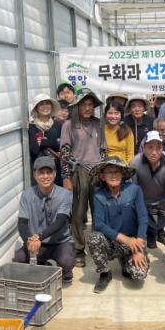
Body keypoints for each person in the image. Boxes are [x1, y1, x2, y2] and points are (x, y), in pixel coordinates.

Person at [88, 157, 150, 293]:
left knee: (138, 274)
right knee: (94, 238)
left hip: (134, 241)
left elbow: (143, 218)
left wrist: (138, 248)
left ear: (122, 174)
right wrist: (124, 239)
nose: (114, 175)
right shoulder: (98, 196)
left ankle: (125, 261)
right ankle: (105, 273)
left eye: (117, 171)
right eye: (109, 172)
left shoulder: (135, 190)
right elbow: (98, 224)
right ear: (102, 176)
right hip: (112, 241)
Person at [60, 88, 106, 267]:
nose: (87, 108)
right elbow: (65, 152)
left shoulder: (99, 123)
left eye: (90, 104)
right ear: (77, 106)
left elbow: (103, 150)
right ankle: (79, 249)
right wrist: (66, 177)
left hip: (97, 171)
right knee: (78, 214)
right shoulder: (69, 125)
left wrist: (103, 171)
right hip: (78, 171)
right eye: (84, 104)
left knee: (99, 211)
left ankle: (99, 246)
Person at [13, 157, 76, 283]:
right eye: (41, 173)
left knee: (66, 261)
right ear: (35, 175)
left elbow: (60, 221)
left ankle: (66, 270)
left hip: (59, 242)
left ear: (55, 174)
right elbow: (22, 223)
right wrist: (29, 240)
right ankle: (42, 263)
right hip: (37, 243)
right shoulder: (27, 194)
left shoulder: (65, 194)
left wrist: (39, 237)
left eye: (49, 172)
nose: (45, 176)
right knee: (19, 258)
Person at [130, 131, 165, 248]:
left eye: (158, 147)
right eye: (150, 147)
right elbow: (134, 189)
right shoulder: (135, 162)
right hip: (144, 201)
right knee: (147, 228)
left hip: (163, 201)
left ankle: (160, 233)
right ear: (144, 148)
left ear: (163, 148)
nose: (154, 152)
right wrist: (138, 209)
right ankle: (150, 233)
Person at [28, 93, 63, 186]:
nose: (45, 106)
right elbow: (34, 150)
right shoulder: (32, 126)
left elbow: (61, 146)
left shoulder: (58, 125)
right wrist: (53, 142)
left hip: (56, 169)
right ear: (36, 108)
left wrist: (42, 142)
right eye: (41, 104)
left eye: (47, 103)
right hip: (39, 170)